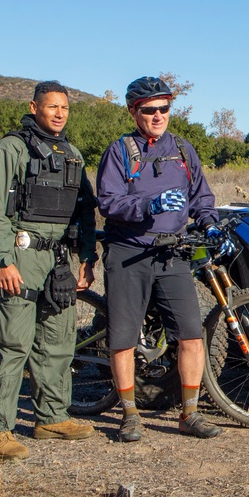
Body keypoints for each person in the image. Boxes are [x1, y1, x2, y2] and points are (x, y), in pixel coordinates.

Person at [96, 76, 226, 442]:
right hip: (129, 251)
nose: (157, 116)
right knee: (122, 338)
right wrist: (147, 205)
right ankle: (130, 413)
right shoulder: (119, 151)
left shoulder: (183, 150)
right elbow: (108, 202)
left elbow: (201, 197)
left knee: (190, 335)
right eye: (148, 110)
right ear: (132, 111)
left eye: (164, 108)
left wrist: (210, 224)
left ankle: (190, 413)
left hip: (173, 252)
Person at [0, 80, 98, 459]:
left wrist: (87, 259)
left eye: (64, 108)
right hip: (20, 258)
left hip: (59, 262)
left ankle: (51, 418)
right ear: (34, 107)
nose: (59, 114)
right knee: (12, 345)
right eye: (52, 107)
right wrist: (2, 260)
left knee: (58, 344)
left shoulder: (73, 155)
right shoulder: (10, 149)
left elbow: (85, 211)